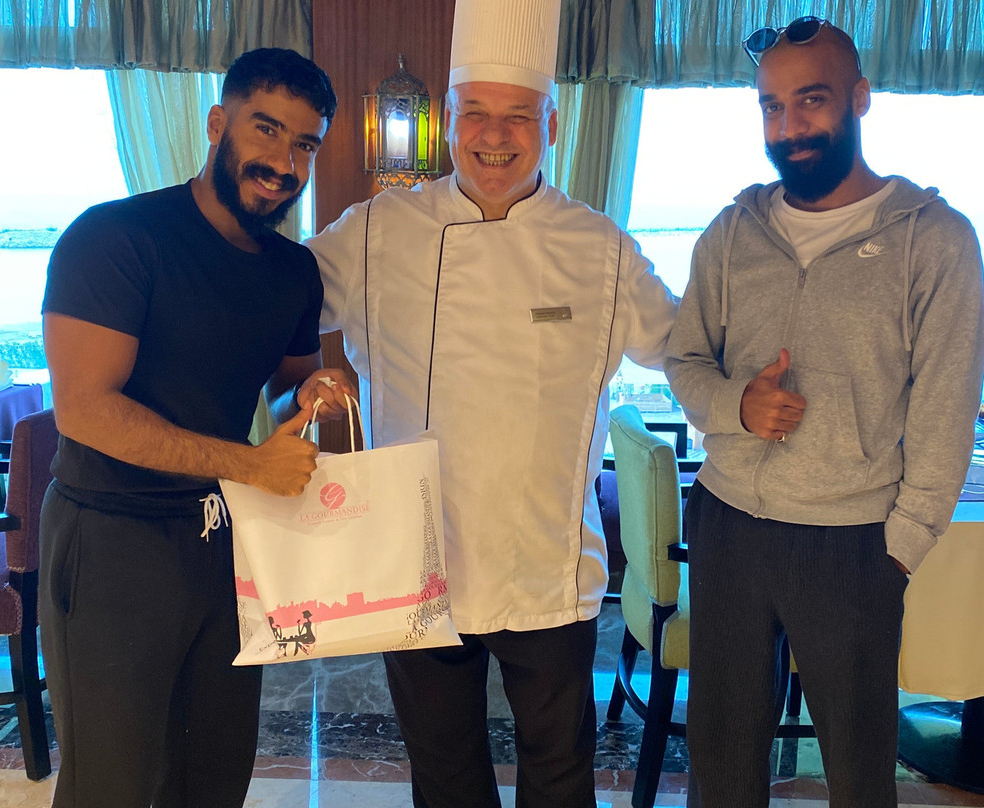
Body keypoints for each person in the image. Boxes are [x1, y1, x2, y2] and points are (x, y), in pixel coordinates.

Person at [305, 1, 678, 804]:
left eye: (518, 115)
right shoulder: (376, 230)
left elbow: (682, 347)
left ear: (553, 124)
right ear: (447, 120)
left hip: (545, 567)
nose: (494, 135)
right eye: (475, 112)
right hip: (417, 557)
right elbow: (277, 299)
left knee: (560, 777)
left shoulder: (600, 249)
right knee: (444, 777)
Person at [664, 17, 984, 808]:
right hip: (730, 524)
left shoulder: (934, 241)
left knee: (858, 771)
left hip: (853, 543)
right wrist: (737, 405)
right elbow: (684, 359)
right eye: (771, 106)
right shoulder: (732, 233)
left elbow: (946, 410)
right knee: (721, 759)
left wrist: (901, 549)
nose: (790, 126)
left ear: (859, 98)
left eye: (811, 100)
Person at [39, 48, 357, 808]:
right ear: (219, 124)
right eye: (265, 129)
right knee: (110, 785)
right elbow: (84, 408)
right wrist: (248, 465)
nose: (283, 163)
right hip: (111, 541)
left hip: (226, 546)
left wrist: (314, 394)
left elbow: (284, 392)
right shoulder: (116, 237)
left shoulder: (293, 270)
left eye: (305, 144)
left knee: (213, 774)